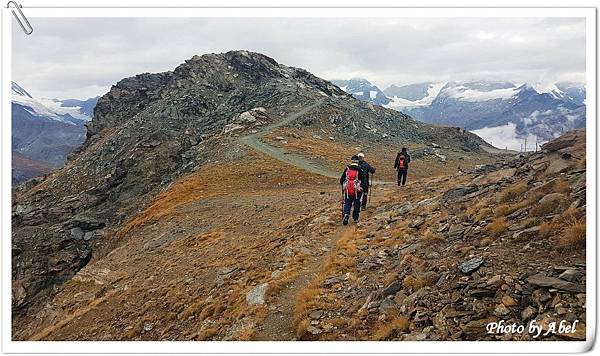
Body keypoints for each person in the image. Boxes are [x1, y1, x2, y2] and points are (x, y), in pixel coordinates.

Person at [340, 155, 368, 225]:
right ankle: (355, 218)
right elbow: (364, 181)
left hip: (348, 190)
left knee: (347, 203)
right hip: (357, 191)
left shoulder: (347, 169)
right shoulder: (360, 169)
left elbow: (341, 180)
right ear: (358, 161)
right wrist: (365, 190)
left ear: (352, 161)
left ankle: (346, 214)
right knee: (357, 203)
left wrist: (344, 186)